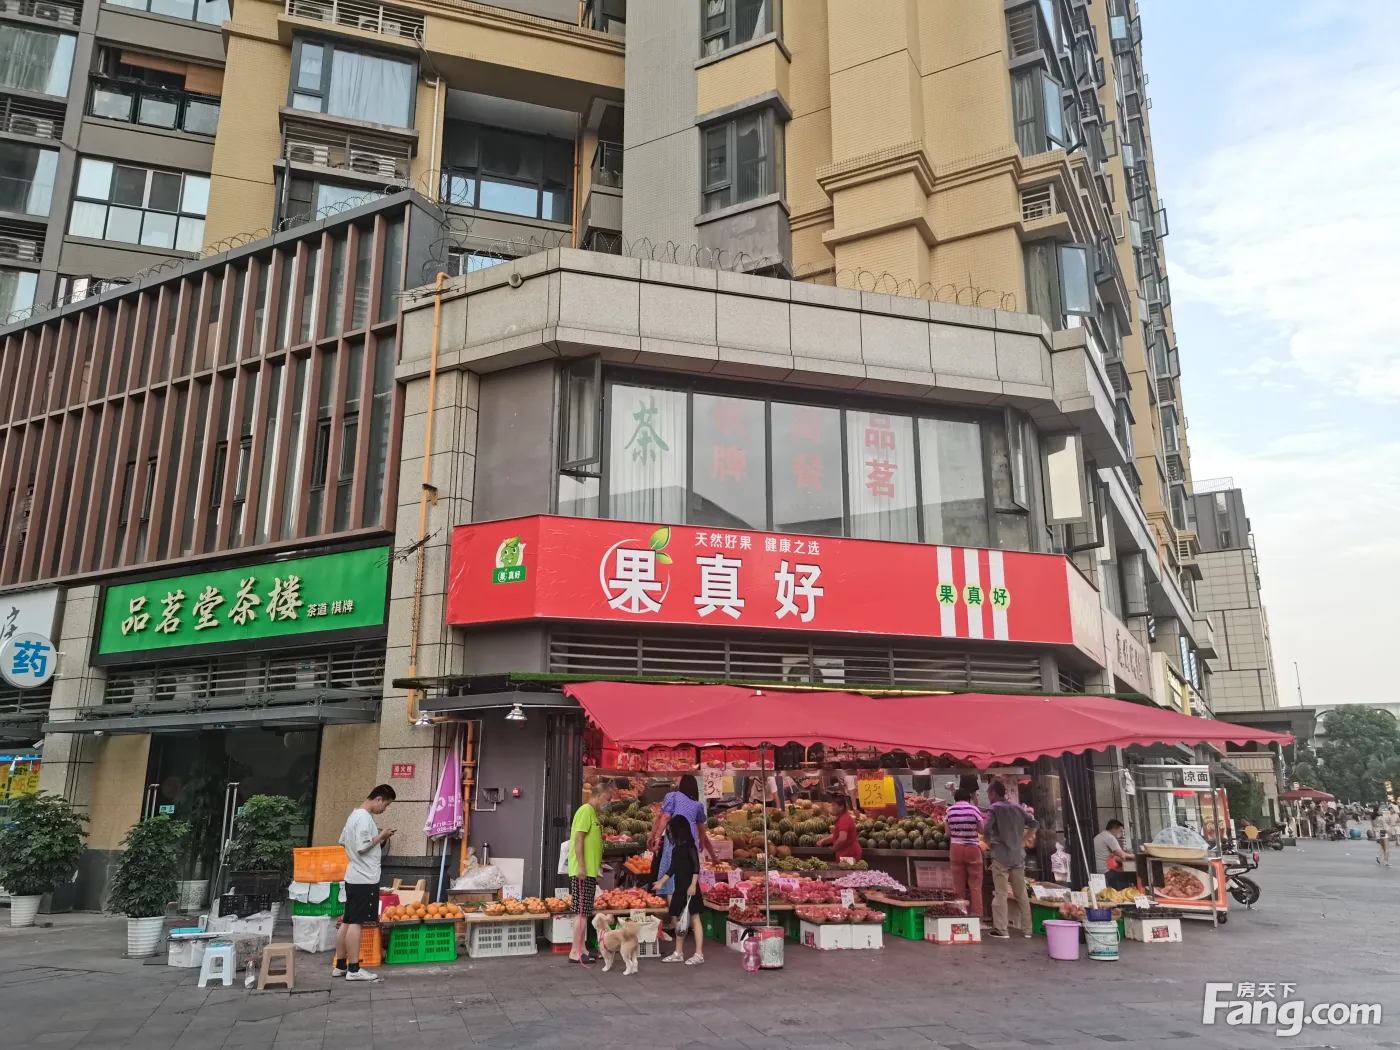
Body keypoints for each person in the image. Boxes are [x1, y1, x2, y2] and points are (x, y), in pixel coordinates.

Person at [332, 784, 396, 981]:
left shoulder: (353, 816)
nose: (384, 809)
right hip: (364, 877)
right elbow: (362, 847)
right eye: (386, 805)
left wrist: (376, 840)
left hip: (354, 875)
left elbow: (344, 841)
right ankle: (353, 969)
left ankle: (340, 965)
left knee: (348, 920)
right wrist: (381, 836)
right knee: (357, 923)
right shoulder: (364, 818)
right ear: (378, 799)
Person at [983, 780, 1037, 939]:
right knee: (1021, 894)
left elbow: (987, 828)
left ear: (993, 793)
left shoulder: (994, 808)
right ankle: (1027, 930)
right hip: (1018, 857)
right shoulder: (1017, 807)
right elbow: (1034, 823)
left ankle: (1002, 929)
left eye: (988, 794)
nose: (988, 797)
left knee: (1001, 894)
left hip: (1001, 857)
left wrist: (989, 841)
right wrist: (1025, 839)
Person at [654, 815, 705, 965]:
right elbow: (672, 869)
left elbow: (696, 867)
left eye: (671, 831)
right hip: (679, 888)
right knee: (677, 919)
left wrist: (693, 885)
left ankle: (699, 954)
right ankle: (678, 952)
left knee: (695, 919)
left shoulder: (690, 846)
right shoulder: (676, 849)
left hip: (690, 888)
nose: (669, 834)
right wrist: (661, 882)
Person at [570, 780, 611, 964]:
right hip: (583, 871)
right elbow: (578, 839)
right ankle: (575, 952)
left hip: (589, 871)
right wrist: (581, 866)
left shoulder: (592, 813)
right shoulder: (585, 811)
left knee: (585, 912)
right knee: (580, 912)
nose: (607, 803)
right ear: (599, 795)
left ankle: (583, 949)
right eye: (607, 799)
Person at [944, 788, 985, 917]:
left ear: (955, 798)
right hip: (973, 848)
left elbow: (948, 833)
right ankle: (976, 914)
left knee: (958, 885)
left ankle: (959, 913)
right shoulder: (974, 809)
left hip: (956, 848)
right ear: (968, 799)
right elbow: (982, 830)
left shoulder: (950, 811)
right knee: (975, 885)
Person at [817, 794, 863, 863]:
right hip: (847, 853)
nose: (831, 808)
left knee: (847, 869)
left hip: (849, 855)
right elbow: (836, 835)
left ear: (841, 807)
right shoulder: (842, 818)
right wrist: (823, 841)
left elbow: (842, 838)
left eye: (833, 805)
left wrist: (833, 849)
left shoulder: (844, 820)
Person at [1093, 819, 1135, 890]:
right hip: (1106, 872)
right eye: (1120, 831)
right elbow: (1123, 856)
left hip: (1097, 871)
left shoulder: (1099, 836)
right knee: (1133, 875)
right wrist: (1134, 856)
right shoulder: (1110, 837)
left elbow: (1114, 856)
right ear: (1114, 829)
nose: (1121, 834)